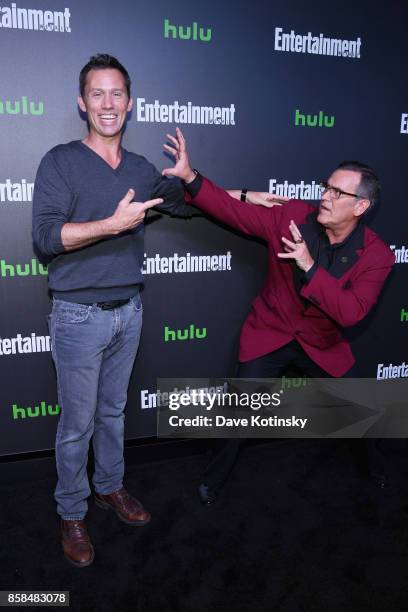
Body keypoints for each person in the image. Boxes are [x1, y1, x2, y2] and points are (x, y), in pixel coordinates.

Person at [163, 128, 395, 503]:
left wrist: (309, 266)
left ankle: (377, 465)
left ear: (360, 207)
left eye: (338, 193)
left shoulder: (377, 255)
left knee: (364, 409)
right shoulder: (291, 216)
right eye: (326, 187)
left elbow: (351, 313)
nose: (325, 196)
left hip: (322, 344)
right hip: (270, 331)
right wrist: (191, 177)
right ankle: (213, 480)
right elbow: (231, 211)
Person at [32, 55, 199, 567]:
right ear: (82, 103)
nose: (108, 104)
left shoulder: (142, 169)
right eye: (97, 94)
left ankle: (109, 487)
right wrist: (111, 224)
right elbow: (44, 239)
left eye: (117, 94)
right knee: (76, 424)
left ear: (129, 103)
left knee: (112, 413)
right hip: (77, 316)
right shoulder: (59, 161)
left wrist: (201, 181)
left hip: (130, 310)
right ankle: (72, 511)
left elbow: (188, 203)